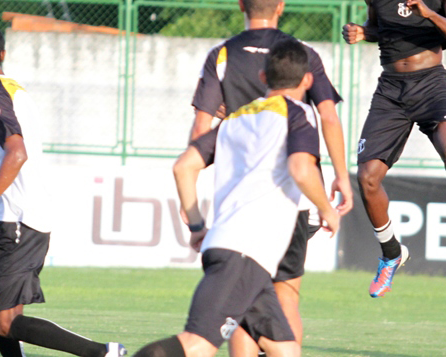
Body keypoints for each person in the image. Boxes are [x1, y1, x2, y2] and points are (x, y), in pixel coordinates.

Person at [134, 38, 341, 357]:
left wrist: (197, 227)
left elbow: (184, 167)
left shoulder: (234, 119)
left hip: (232, 249)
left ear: (263, 78)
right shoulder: (299, 113)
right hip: (246, 252)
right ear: (308, 80)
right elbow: (301, 168)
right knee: (197, 345)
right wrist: (327, 209)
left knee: (285, 349)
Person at [0, 23, 126, 357]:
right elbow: (10, 158)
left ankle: (103, 353)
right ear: (2, 54)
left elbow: (17, 154)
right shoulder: (14, 91)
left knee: (5, 321)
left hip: (19, 220)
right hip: (21, 214)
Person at [190, 0, 353, 355]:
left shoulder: (223, 55)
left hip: (238, 197)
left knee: (243, 303)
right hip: (291, 196)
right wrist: (342, 177)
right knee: (287, 295)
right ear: (281, 7)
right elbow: (329, 116)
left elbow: (199, 131)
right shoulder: (301, 55)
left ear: (241, 5)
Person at [342, 0, 446, 296]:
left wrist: (427, 12)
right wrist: (360, 33)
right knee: (367, 177)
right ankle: (391, 254)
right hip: (391, 91)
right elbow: (378, 29)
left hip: (431, 84)